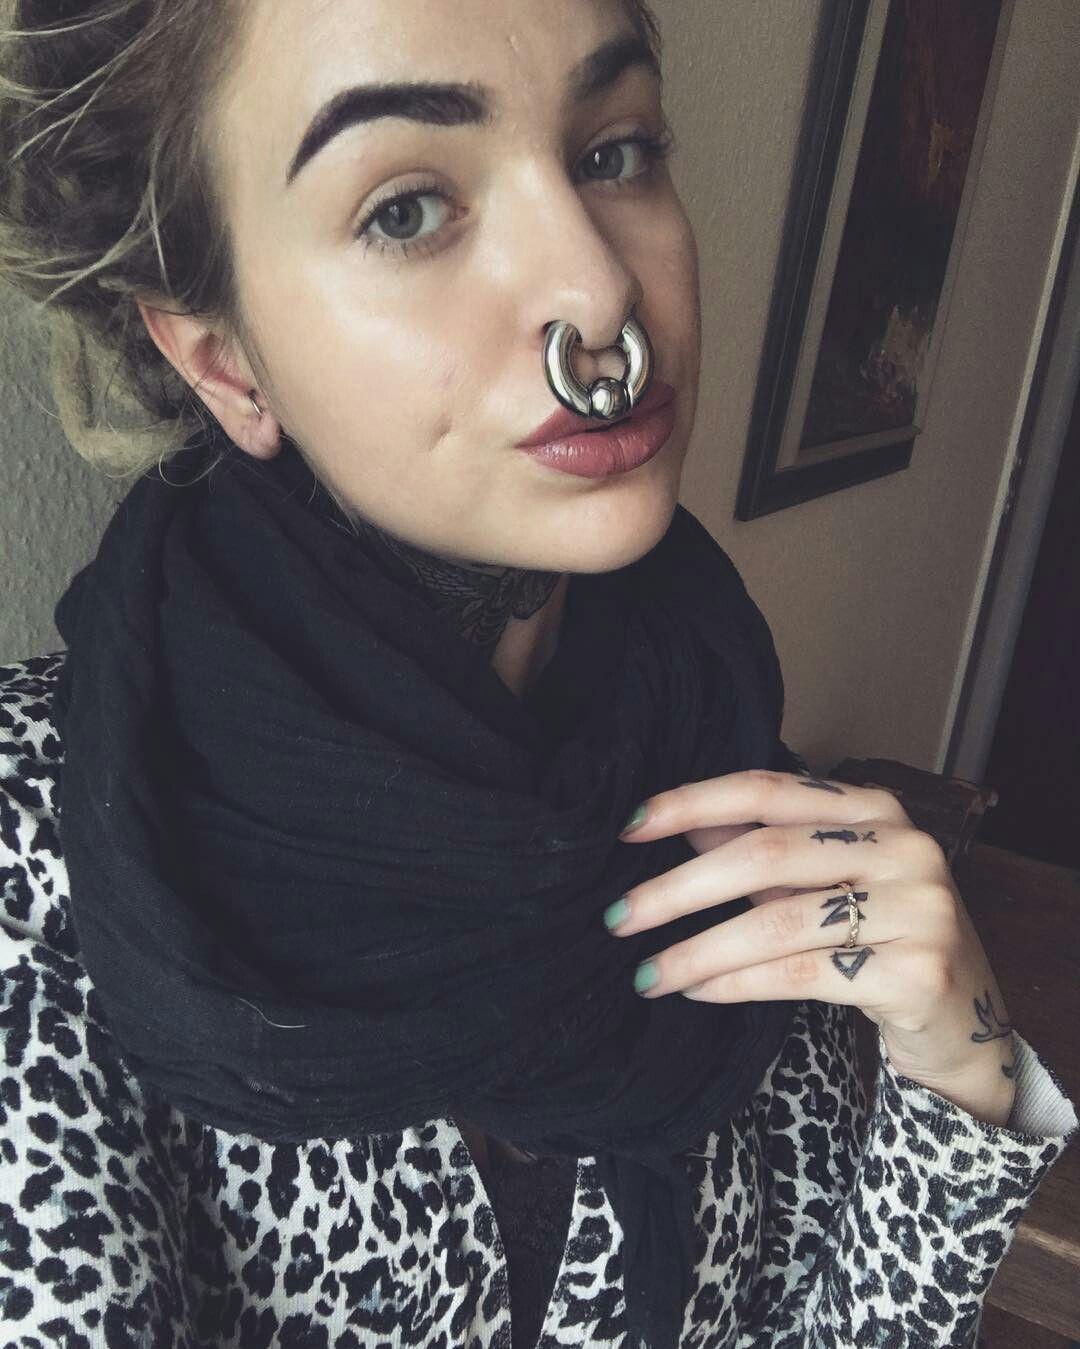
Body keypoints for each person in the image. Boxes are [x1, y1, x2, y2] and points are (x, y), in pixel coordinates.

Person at [0, 2, 1075, 1347]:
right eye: (405, 210)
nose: (599, 294)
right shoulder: (41, 850)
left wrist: (961, 1067)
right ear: (224, 359)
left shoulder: (729, 776)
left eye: (616, 152)